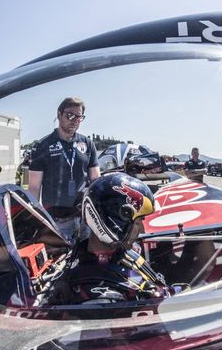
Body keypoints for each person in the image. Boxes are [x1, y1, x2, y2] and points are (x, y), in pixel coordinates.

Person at [49, 173, 175, 304]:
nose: (142, 230)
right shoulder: (102, 299)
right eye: (138, 223)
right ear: (113, 224)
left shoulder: (123, 255)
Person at [28, 97, 100, 241]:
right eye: (70, 115)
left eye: (79, 117)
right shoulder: (42, 145)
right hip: (56, 218)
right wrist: (34, 217)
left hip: (84, 216)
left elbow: (96, 179)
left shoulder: (87, 144)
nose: (74, 120)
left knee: (86, 258)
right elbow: (34, 187)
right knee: (60, 260)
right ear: (59, 114)